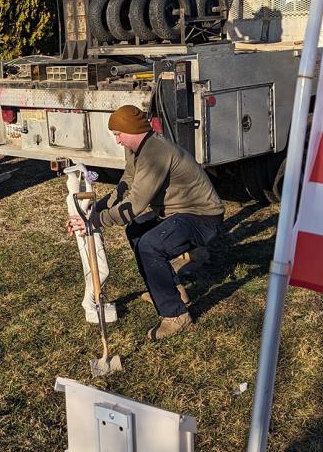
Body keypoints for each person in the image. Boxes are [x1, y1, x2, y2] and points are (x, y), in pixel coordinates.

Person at [67, 105, 224, 341]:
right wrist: (96, 209)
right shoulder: (137, 149)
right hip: (176, 212)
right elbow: (126, 184)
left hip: (201, 217)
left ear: (132, 130)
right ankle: (170, 292)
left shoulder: (155, 152)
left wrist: (96, 221)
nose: (117, 140)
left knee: (150, 245)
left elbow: (135, 204)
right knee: (136, 230)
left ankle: (176, 315)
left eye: (119, 134)